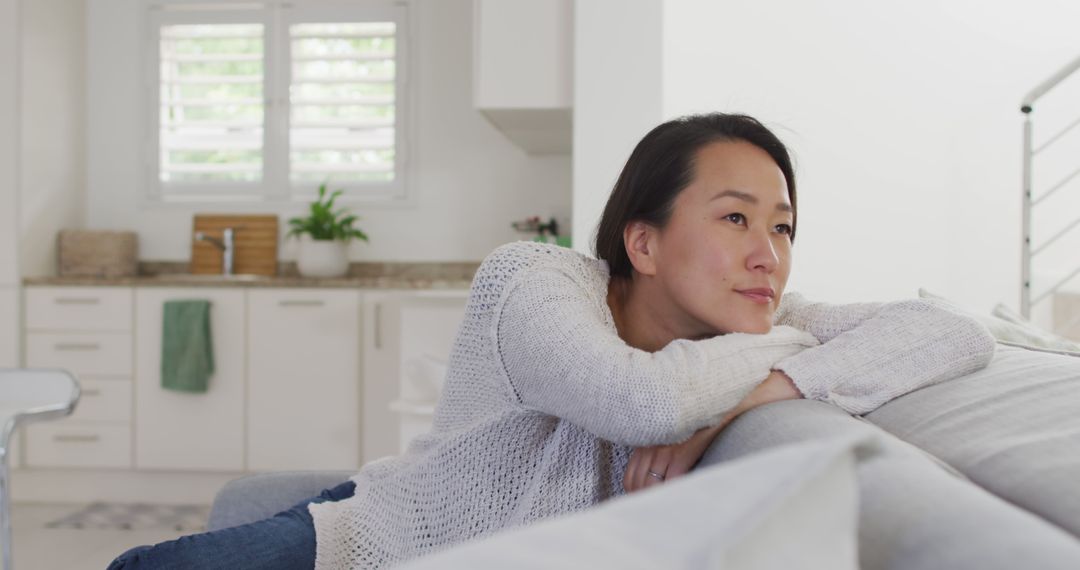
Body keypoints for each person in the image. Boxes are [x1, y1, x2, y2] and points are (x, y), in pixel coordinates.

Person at [108, 113, 995, 569]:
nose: (770, 254)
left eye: (785, 226)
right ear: (642, 243)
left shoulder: (762, 332)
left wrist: (779, 390)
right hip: (382, 535)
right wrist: (783, 353)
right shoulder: (532, 279)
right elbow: (639, 401)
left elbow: (954, 329)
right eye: (735, 218)